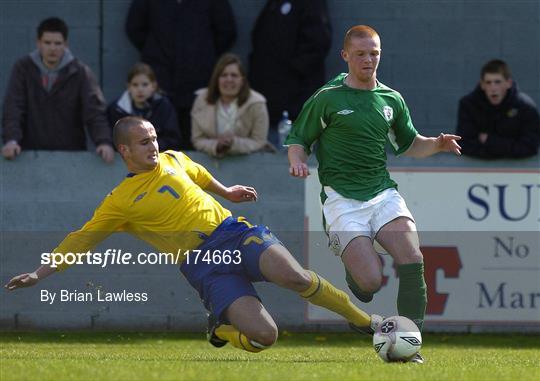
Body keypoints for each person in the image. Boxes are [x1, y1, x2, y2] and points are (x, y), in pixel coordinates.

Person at [5, 116, 382, 354]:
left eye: (153, 138)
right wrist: (41, 273)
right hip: (204, 265)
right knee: (264, 337)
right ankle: (221, 327)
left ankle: (364, 321)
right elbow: (81, 240)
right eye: (143, 142)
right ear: (124, 150)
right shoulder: (119, 202)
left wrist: (227, 192)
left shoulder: (173, 158)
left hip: (233, 233)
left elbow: (198, 173)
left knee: (295, 276)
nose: (153, 145)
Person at [285, 25, 463, 364]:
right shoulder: (327, 98)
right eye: (362, 54)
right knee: (370, 282)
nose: (369, 60)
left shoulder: (391, 99)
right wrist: (297, 162)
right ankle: (358, 279)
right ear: (346, 55)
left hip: (382, 193)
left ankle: (411, 343)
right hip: (342, 201)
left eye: (375, 53)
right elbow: (298, 139)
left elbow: (409, 145)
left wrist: (437, 144)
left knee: (413, 258)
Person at [126, 0, 237, 150]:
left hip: (198, 84)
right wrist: (156, 53)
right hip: (160, 81)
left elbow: (226, 30)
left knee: (195, 144)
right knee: (158, 142)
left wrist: (202, 55)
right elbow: (134, 27)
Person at [1, 17, 114, 163]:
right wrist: (11, 140)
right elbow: (13, 107)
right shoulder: (23, 68)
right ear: (38, 43)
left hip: (71, 154)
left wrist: (103, 142)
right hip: (28, 155)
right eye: (47, 43)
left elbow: (94, 111)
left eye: (58, 43)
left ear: (65, 45)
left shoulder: (80, 72)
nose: (52, 48)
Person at [248, 0, 331, 144]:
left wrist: (289, 73)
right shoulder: (273, 5)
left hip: (295, 103)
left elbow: (318, 43)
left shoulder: (311, 5)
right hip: (270, 101)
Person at [191, 53, 272, 158]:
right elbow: (197, 139)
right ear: (216, 79)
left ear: (242, 80)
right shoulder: (201, 100)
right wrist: (216, 145)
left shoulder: (257, 103)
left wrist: (233, 143)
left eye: (234, 75)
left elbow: (259, 141)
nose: (229, 80)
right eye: (224, 75)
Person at [456, 59, 540, 159]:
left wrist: (489, 141)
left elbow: (530, 147)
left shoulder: (525, 107)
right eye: (488, 82)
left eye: (498, 82)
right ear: (482, 85)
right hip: (477, 168)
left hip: (515, 168)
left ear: (508, 83)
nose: (493, 88)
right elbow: (463, 144)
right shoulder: (468, 105)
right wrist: (507, 148)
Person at [107, 62, 181, 151]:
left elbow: (172, 139)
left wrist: (149, 147)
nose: (140, 89)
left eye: (145, 84)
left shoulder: (163, 106)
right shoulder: (117, 109)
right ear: (128, 87)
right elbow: (113, 138)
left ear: (153, 86)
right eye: (135, 85)